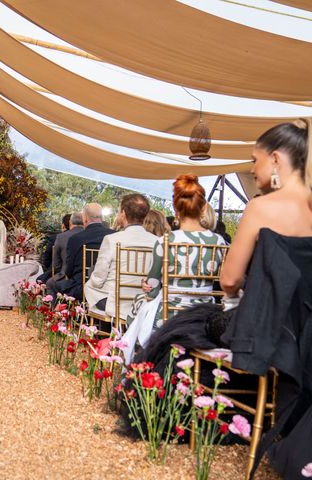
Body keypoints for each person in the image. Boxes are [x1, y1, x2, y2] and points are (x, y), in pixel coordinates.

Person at [131, 120, 312, 478]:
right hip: (304, 336)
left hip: (265, 331)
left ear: (276, 160)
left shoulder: (262, 208)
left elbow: (228, 281)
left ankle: (186, 412)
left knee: (189, 324)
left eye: (254, 160)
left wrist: (251, 283)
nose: (252, 168)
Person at [122, 175, 226, 362]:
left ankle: (141, 361)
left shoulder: (166, 241)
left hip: (169, 313)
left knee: (139, 304)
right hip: (205, 312)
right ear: (202, 207)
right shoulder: (219, 241)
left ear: (176, 209)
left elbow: (153, 288)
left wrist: (147, 286)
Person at [84, 194, 158, 319]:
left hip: (115, 303)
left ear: (123, 213)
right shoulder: (157, 241)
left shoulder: (111, 240)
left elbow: (98, 279)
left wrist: (91, 282)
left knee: (89, 285)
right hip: (144, 301)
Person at [53, 203, 114, 300]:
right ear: (102, 218)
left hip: (81, 287)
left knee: (54, 285)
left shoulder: (76, 239)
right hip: (108, 288)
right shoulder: (114, 236)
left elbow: (68, 271)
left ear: (84, 218)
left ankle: (63, 314)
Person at [46, 212, 83, 295]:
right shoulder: (88, 235)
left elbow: (56, 264)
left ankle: (56, 307)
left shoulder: (62, 237)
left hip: (66, 276)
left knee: (50, 283)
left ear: (70, 222)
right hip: (87, 278)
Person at [36, 214, 70, 284]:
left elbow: (46, 259)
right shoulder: (80, 238)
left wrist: (50, 269)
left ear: (63, 225)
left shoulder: (55, 238)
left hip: (56, 274)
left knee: (38, 280)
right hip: (73, 276)